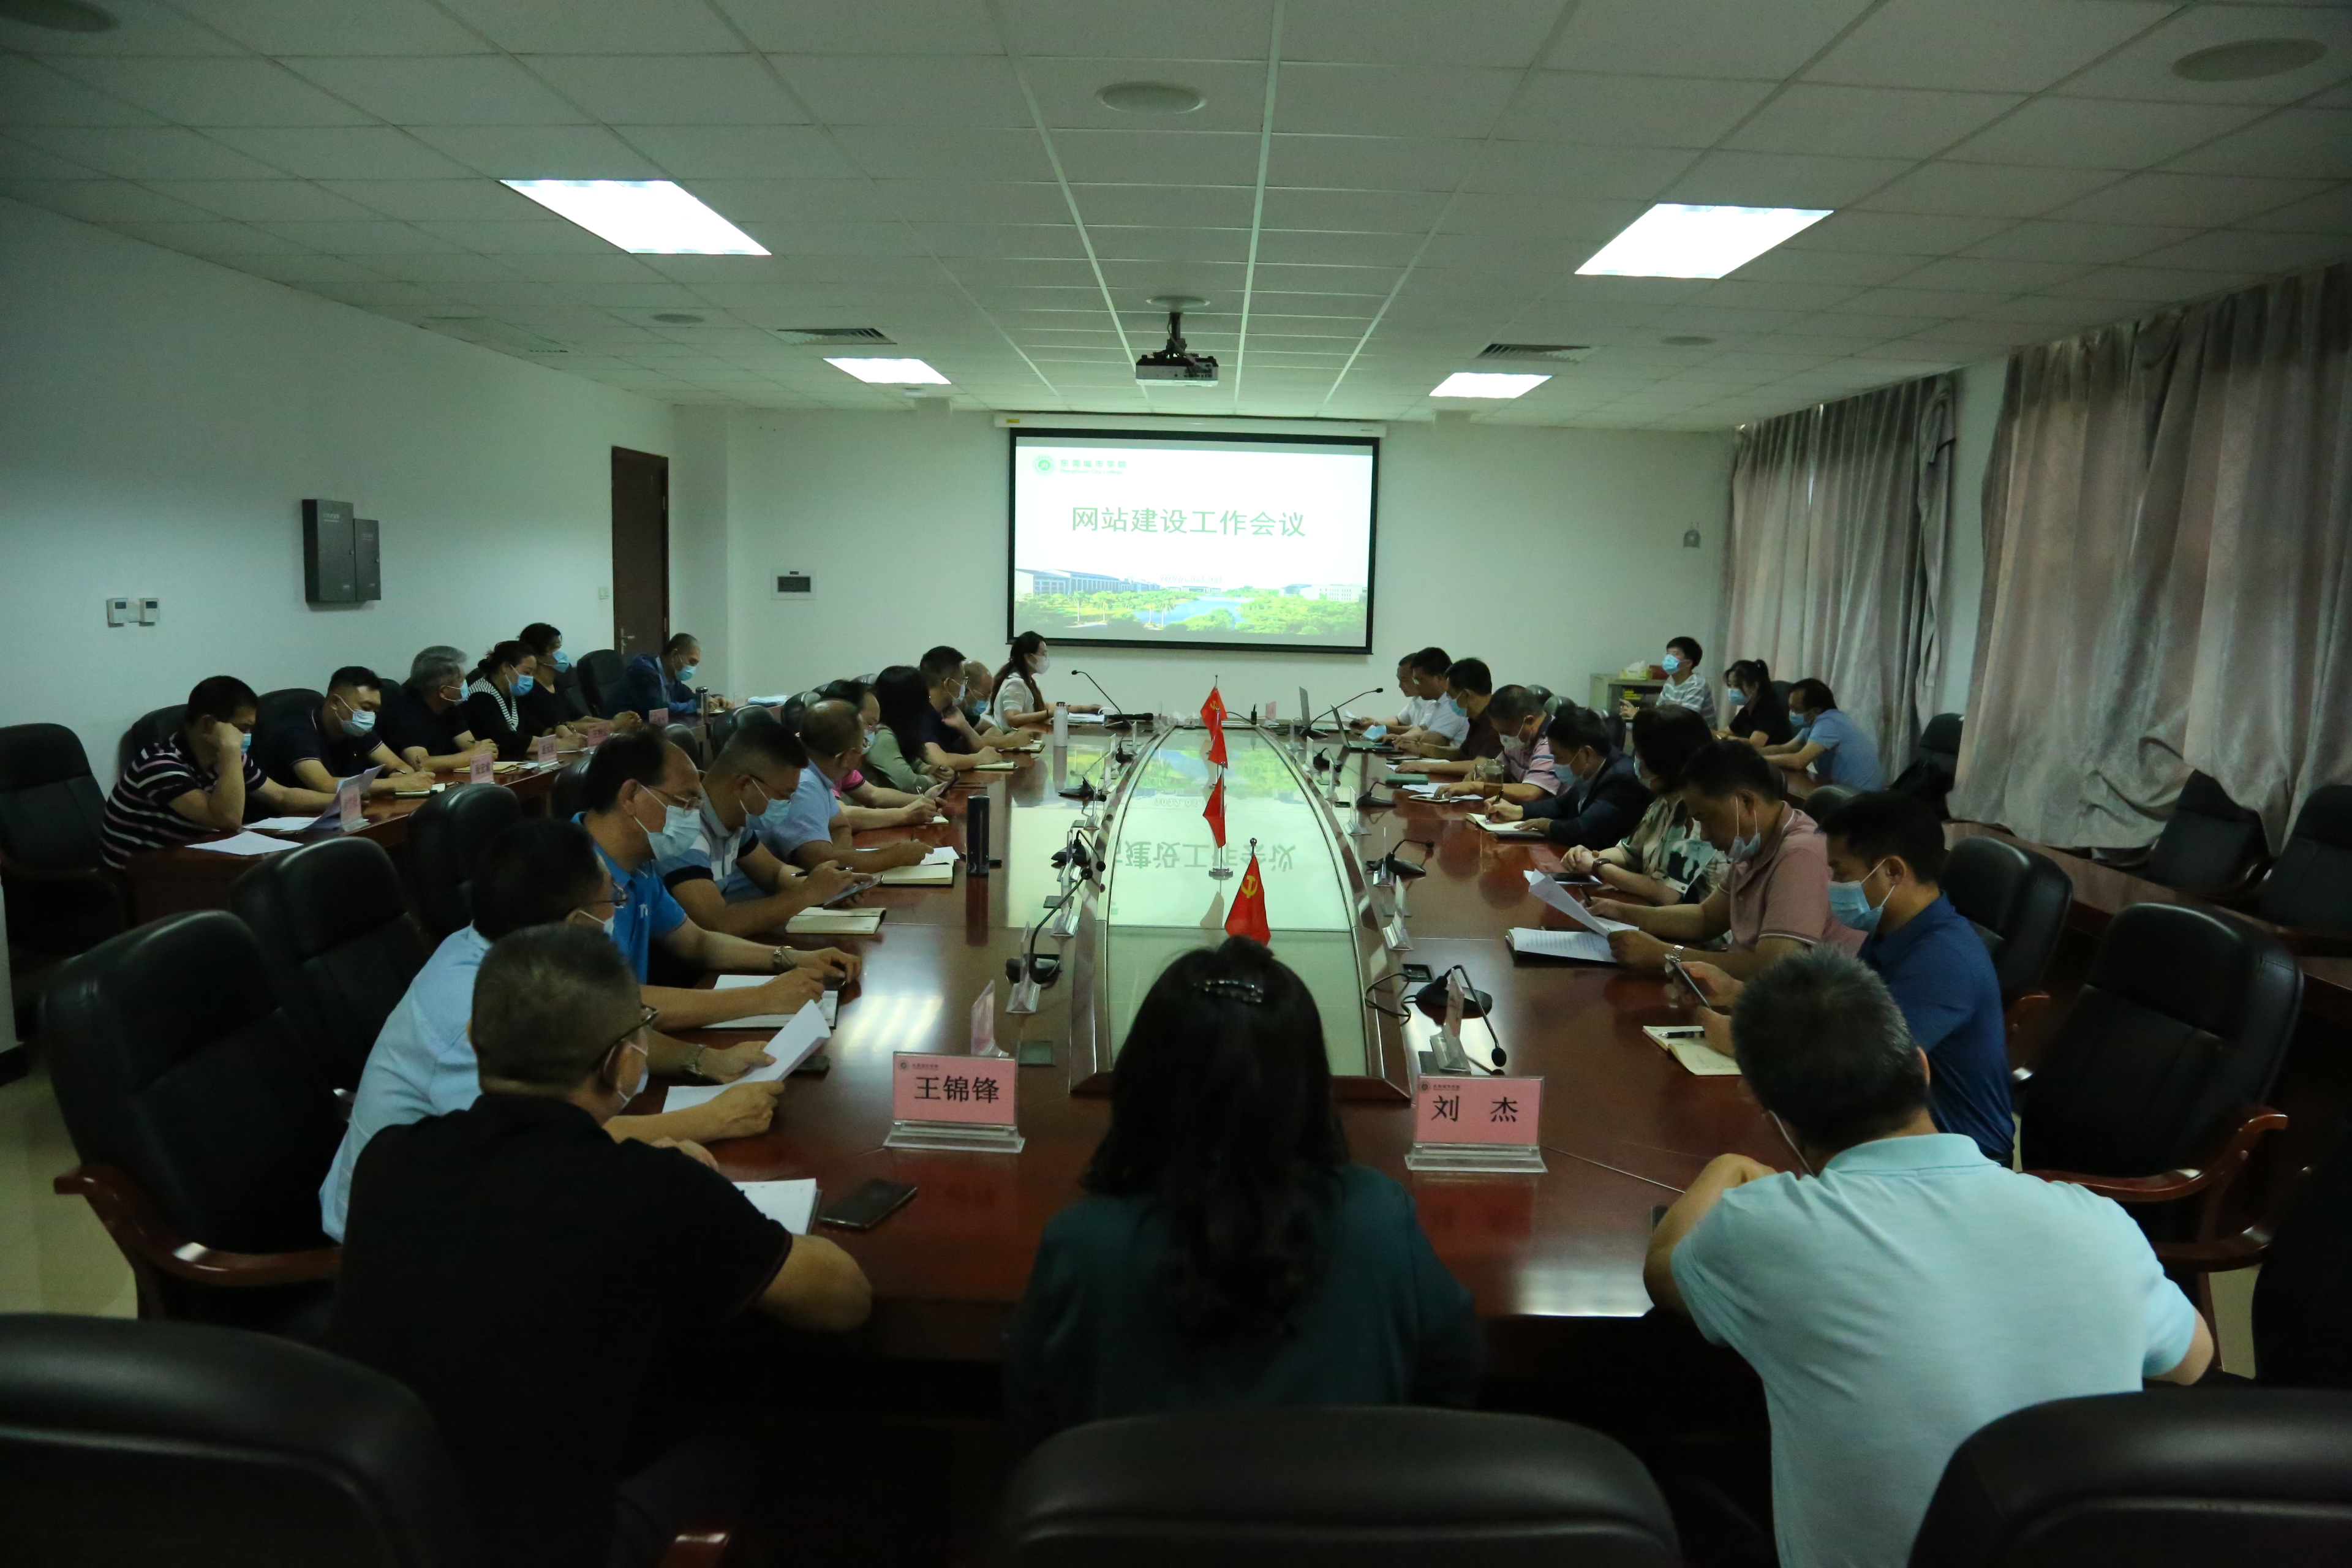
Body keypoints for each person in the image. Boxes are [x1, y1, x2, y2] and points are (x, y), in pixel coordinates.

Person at [1645, 950, 2210, 1568]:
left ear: (1769, 1109)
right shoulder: (2098, 1222)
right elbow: (2192, 1363)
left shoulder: (1766, 1228)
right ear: (1921, 1066)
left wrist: (1727, 1167)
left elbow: (1665, 1270)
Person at [330, 924, 871, 1568]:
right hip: (555, 1545)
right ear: (625, 1063)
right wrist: (709, 1199)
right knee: (765, 1429)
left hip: (385, 1527)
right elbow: (845, 1300)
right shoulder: (653, 1189)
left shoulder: (389, 1159)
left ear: (475, 1040)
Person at [1006, 938, 1480, 1438]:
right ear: (1310, 1086)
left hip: (1125, 1492)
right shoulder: (1380, 1219)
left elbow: (1033, 1411)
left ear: (1141, 1080)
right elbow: (1455, 1372)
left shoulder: (1081, 1243)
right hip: (1346, 1489)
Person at [319, 820, 793, 1240]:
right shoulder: (475, 1008)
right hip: (405, 1239)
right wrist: (713, 1118)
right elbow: (540, 1140)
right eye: (611, 900)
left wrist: (702, 1060)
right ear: (573, 925)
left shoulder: (518, 965)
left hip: (493, 1187)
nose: (616, 910)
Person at [1684, 793, 2014, 1165]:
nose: (1833, 886)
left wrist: (1741, 1039)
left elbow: (1855, 1071)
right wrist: (1736, 993)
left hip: (1957, 1160)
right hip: (1882, 1133)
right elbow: (1841, 1027)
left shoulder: (1944, 961)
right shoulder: (1892, 930)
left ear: (1893, 872)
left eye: (1840, 874)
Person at [575, 731, 860, 1022]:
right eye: (685, 801)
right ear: (630, 796)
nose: (694, 814)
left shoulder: (640, 865)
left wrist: (795, 958)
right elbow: (607, 1004)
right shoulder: (566, 871)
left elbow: (698, 942)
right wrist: (761, 998)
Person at [1594, 739, 1862, 979]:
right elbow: (1706, 918)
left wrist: (1666, 955)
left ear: (1745, 801)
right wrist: (1625, 913)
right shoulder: (1754, 842)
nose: (1705, 835)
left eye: (1707, 819)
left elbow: (1772, 969)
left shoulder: (1800, 854)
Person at [651, 722, 864, 938]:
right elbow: (717, 923)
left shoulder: (736, 821)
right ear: (745, 785)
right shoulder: (684, 831)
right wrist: (808, 893)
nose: (789, 804)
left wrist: (831, 884)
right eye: (784, 796)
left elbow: (775, 874)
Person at [100, 676, 337, 869]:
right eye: (242, 729)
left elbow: (282, 796)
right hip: (140, 877)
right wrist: (230, 751)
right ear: (207, 725)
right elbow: (227, 819)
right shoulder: (160, 763)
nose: (246, 737)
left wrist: (342, 799)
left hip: (192, 861)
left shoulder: (225, 757)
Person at [1561, 704, 1719, 907]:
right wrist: (1587, 856)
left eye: (1641, 755)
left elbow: (1667, 894)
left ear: (1664, 761)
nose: (1636, 761)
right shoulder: (1663, 802)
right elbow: (1629, 853)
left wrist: (1598, 866)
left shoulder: (1697, 814)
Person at [755, 699, 936, 876]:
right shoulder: (804, 785)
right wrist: (896, 856)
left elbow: (840, 827)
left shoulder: (818, 773)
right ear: (846, 758)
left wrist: (839, 862)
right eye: (862, 745)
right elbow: (819, 861)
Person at [1490, 704, 1652, 851]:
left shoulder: (1622, 779)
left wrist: (1547, 825)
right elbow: (1561, 805)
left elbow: (1583, 830)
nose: (1555, 763)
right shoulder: (1591, 768)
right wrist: (1519, 811)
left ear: (1586, 753)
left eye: (1558, 756)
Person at [253, 666, 429, 797]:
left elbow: (400, 766)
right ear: (335, 703)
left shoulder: (356, 728)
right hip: (295, 820)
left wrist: (399, 775)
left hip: (345, 812)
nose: (370, 716)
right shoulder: (297, 731)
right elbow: (324, 785)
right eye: (366, 708)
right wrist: (395, 784)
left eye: (375, 711)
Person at [804, 682, 942, 829]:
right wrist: (905, 815)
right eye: (870, 723)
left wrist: (924, 800)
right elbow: (840, 815)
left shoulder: (836, 758)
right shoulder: (809, 769)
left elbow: (872, 794)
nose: (875, 731)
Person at [377, 646, 494, 772]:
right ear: (444, 691)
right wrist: (473, 755)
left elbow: (470, 746)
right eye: (461, 680)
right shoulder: (403, 714)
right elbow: (421, 764)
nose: (465, 683)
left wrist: (485, 749)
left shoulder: (449, 707)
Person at [1436, 685, 1558, 805]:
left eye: (1507, 732)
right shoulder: (1522, 735)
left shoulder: (1552, 741)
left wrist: (1474, 787)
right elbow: (1498, 769)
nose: (1504, 738)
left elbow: (1530, 793)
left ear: (1529, 721)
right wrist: (1481, 775)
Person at [1760, 678, 1885, 793]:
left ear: (1815, 711)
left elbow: (1799, 761)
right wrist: (1753, 753)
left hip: (1860, 797)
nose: (1791, 713)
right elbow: (1788, 748)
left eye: (1795, 709)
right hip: (1844, 791)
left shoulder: (1830, 723)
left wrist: (1759, 760)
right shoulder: (1814, 722)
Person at [864, 665, 956, 793]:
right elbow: (909, 784)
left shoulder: (899, 730)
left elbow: (915, 763)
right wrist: (935, 780)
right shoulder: (881, 735)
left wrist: (935, 771)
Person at [1406, 657, 1499, 772]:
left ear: (1466, 695)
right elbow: (1463, 754)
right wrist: (1422, 748)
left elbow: (1480, 766)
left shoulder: (1498, 721)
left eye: (1450, 695)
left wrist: (1427, 767)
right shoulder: (1477, 720)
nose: (1449, 699)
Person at [462, 639, 549, 761]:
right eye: (527, 672)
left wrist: (555, 730)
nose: (530, 678)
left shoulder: (510, 693)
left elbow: (534, 727)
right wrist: (551, 744)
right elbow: (503, 740)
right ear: (506, 667)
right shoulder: (480, 696)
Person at [992, 631, 1098, 728]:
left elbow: (1045, 706)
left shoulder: (1029, 682)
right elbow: (1012, 719)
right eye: (1043, 654)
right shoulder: (1015, 684)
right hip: (1014, 739)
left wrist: (1084, 709)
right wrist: (1049, 713)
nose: (1045, 658)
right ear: (1029, 657)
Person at [612, 632, 718, 725]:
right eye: (692, 662)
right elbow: (656, 710)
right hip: (622, 734)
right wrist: (696, 706)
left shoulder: (673, 678)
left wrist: (713, 699)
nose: (692, 668)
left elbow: (689, 696)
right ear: (675, 655)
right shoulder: (643, 673)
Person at [1619, 636, 1716, 728]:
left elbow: (1685, 722)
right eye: (1668, 654)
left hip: (1696, 736)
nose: (1668, 658)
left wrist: (1639, 715)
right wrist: (1637, 715)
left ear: (1688, 663)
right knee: (1623, 726)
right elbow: (1658, 712)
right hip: (1673, 730)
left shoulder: (1697, 684)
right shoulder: (1671, 680)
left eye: (1674, 654)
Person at [516, 622, 588, 741]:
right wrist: (612, 725)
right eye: (556, 648)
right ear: (538, 657)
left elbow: (579, 717)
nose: (562, 653)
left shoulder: (556, 685)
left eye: (561, 647)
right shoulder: (529, 691)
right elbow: (561, 727)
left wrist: (611, 723)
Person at [1722, 658, 1794, 747]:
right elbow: (1725, 732)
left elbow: (1754, 745)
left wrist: (1725, 737)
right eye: (1729, 685)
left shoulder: (1769, 710)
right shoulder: (1746, 711)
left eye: (1737, 685)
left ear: (1755, 686)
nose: (1731, 690)